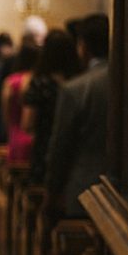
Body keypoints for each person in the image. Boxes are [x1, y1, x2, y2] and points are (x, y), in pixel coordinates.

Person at [44, 13, 110, 219]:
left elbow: (61, 145)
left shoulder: (76, 88)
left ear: (83, 46)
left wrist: (51, 191)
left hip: (83, 189)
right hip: (124, 190)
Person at [21, 28, 81, 184]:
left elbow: (27, 123)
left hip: (45, 151)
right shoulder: (78, 82)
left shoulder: (40, 83)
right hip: (74, 154)